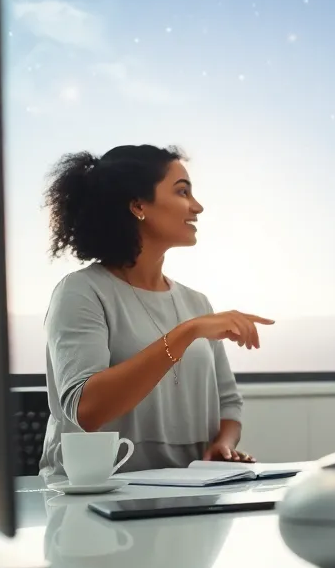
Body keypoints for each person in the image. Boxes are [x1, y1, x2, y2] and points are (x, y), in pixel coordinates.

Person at [37, 145, 273, 479]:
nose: (197, 206)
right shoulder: (80, 292)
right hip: (96, 492)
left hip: (190, 489)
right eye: (182, 192)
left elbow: (229, 403)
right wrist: (186, 332)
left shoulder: (197, 303)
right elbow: (87, 410)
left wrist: (224, 444)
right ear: (138, 206)